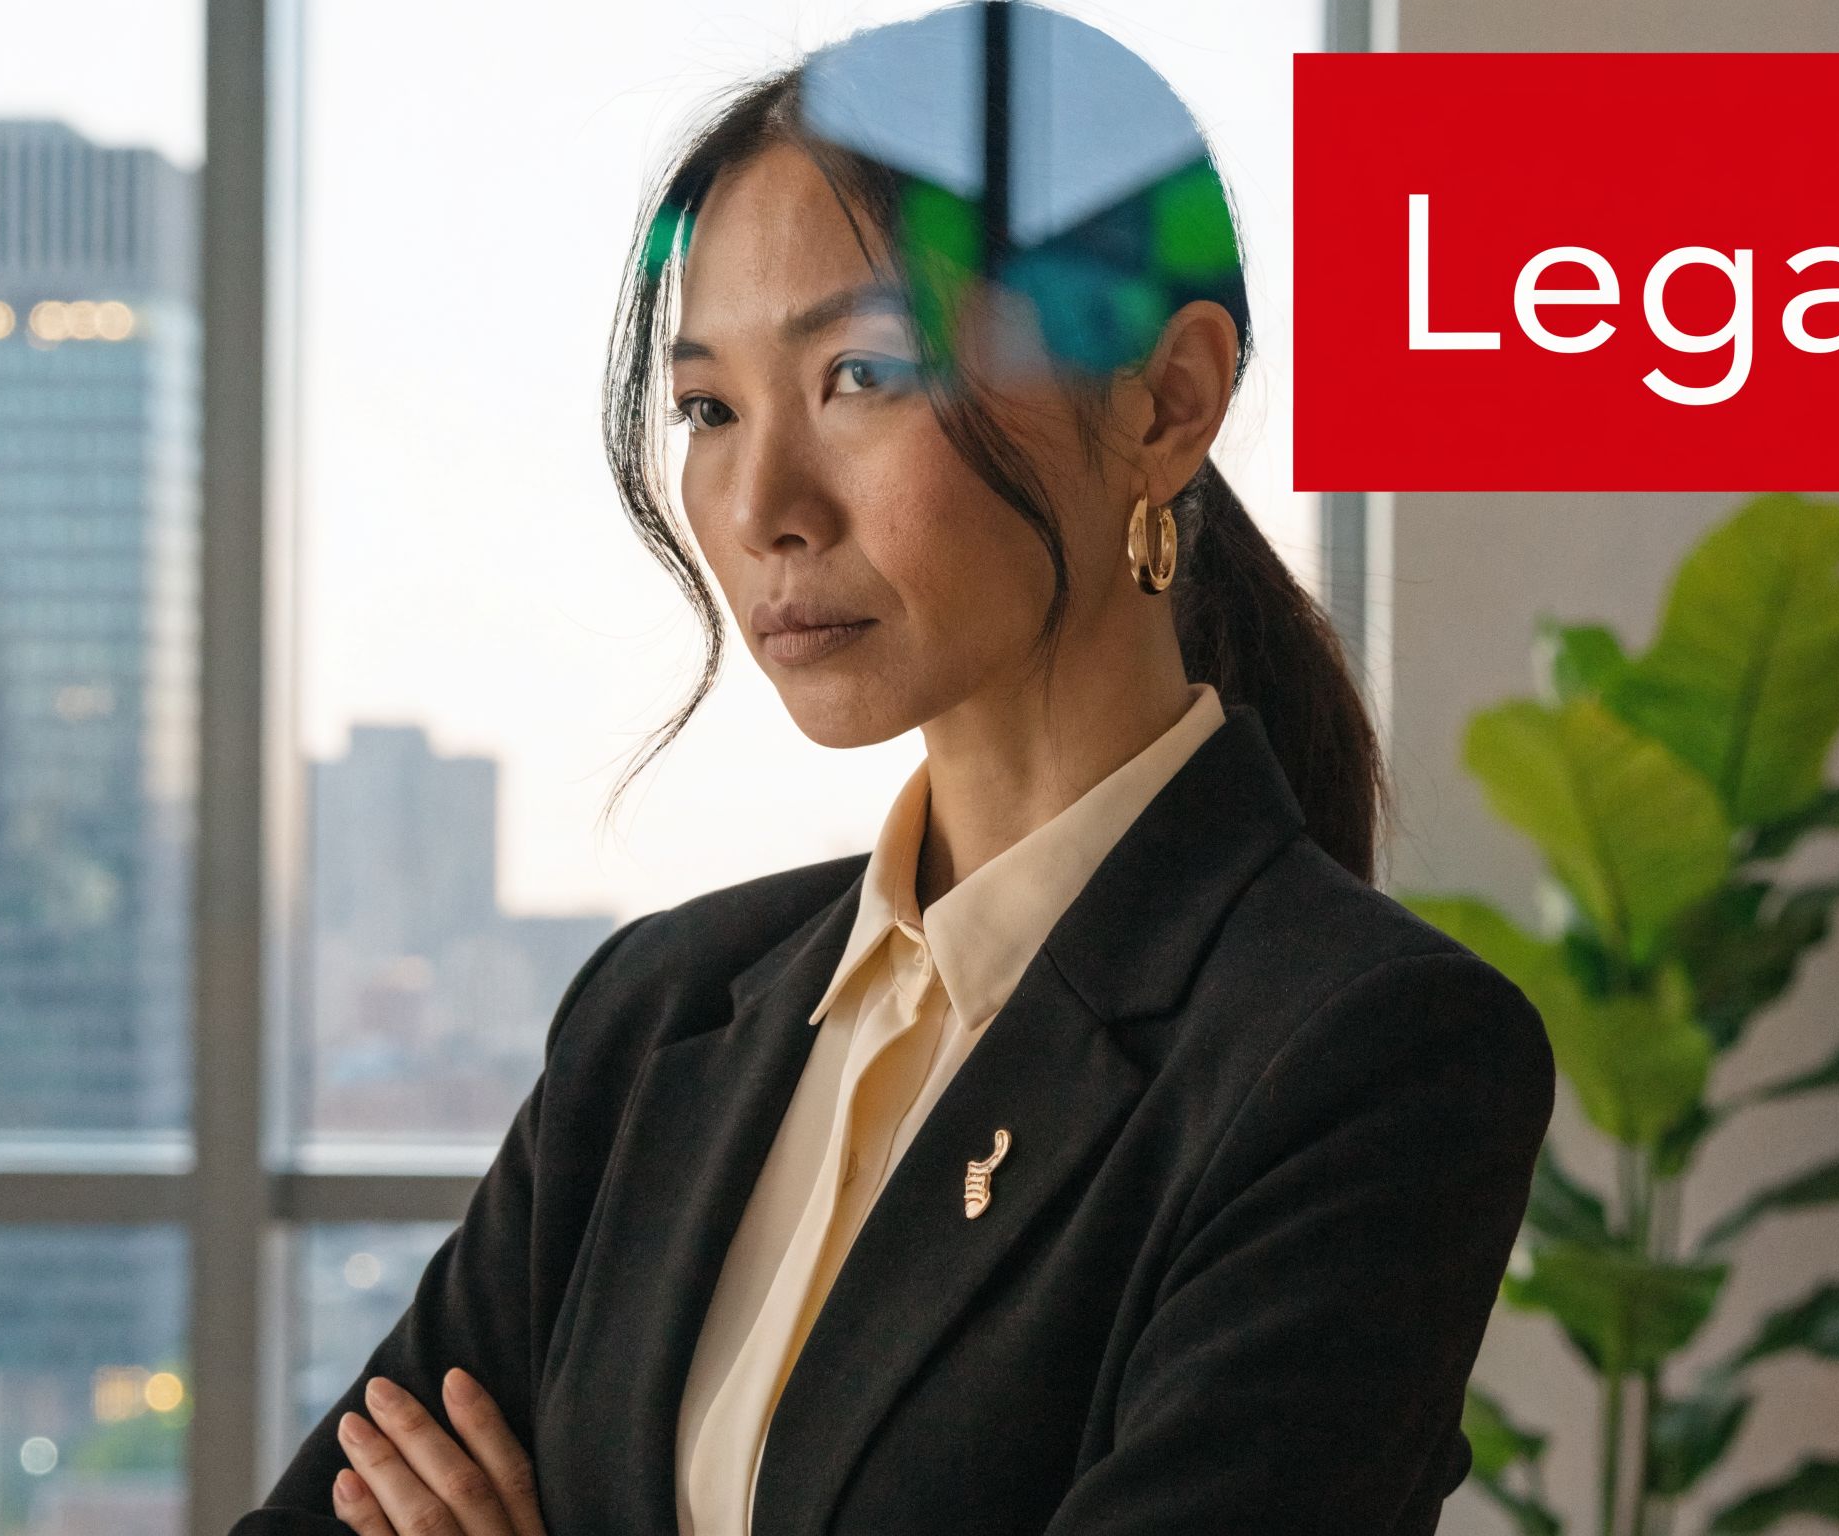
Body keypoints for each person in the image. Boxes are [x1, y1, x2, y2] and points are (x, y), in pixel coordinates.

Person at [231, 6, 1551, 1533]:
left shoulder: (1363, 1052)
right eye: (711, 409)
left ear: (1166, 401)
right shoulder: (660, 1017)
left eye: (862, 374)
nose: (761, 503)